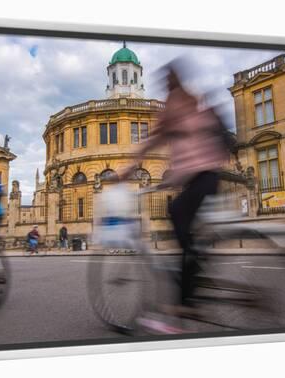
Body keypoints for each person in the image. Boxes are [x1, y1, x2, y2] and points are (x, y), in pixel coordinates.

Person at [121, 63, 228, 316]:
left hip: (199, 174)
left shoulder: (175, 104)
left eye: (167, 80)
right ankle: (195, 268)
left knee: (178, 217)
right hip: (206, 174)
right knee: (188, 227)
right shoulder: (192, 99)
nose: (166, 84)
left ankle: (186, 299)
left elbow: (155, 139)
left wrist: (129, 168)